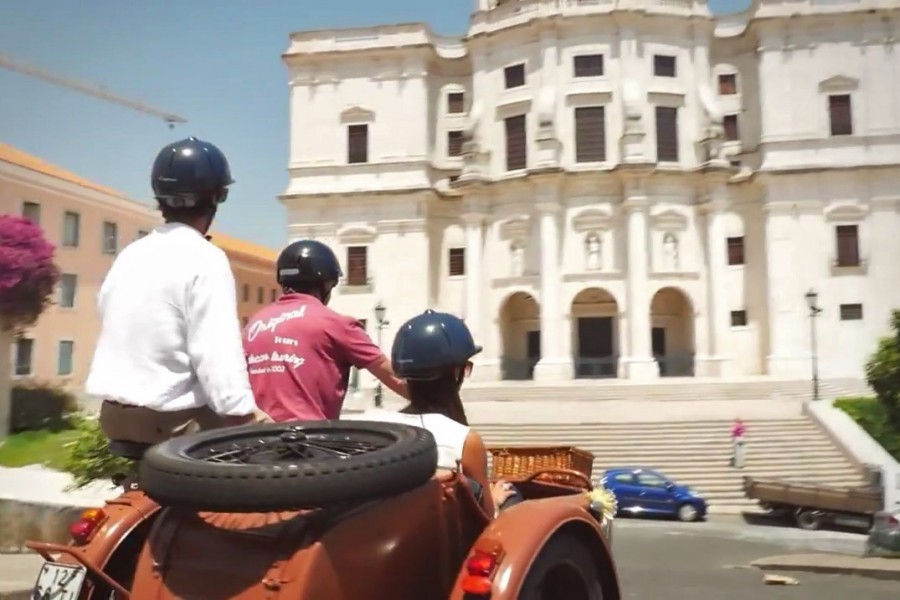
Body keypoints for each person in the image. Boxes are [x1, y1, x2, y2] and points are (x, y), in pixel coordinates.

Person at [86, 137, 260, 445]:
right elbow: (216, 353)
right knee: (267, 461)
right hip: (171, 423)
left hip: (114, 418)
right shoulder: (206, 258)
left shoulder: (130, 254)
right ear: (217, 197)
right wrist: (248, 421)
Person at [345, 309, 520, 517]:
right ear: (456, 372)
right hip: (440, 544)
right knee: (512, 496)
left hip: (384, 535)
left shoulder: (375, 425)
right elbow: (486, 518)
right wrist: (498, 501)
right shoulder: (463, 440)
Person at [243, 239, 409, 421]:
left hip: (257, 440)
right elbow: (395, 377)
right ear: (327, 284)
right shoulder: (337, 325)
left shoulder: (253, 325)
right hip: (311, 441)